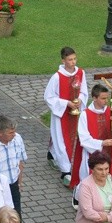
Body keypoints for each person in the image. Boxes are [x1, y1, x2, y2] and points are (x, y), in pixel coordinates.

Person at [69, 84, 112, 209]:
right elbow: (83, 138)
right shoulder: (85, 115)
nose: (106, 101)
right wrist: (101, 143)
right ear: (94, 98)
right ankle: (78, 196)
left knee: (107, 175)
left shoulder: (110, 112)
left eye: (107, 98)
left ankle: (103, 199)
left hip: (108, 152)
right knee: (87, 176)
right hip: (91, 153)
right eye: (103, 98)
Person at [44, 46, 88, 187]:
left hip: (75, 111)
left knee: (72, 137)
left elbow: (84, 90)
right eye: (70, 59)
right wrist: (66, 103)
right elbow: (49, 97)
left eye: (74, 59)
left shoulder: (81, 73)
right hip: (61, 113)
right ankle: (66, 170)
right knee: (61, 139)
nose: (73, 62)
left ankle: (52, 154)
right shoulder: (57, 77)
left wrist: (80, 100)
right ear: (63, 60)